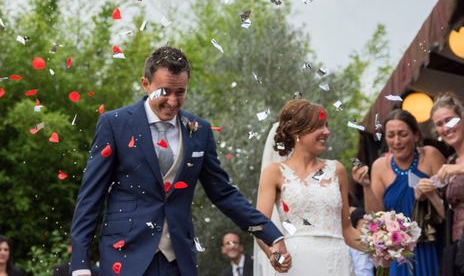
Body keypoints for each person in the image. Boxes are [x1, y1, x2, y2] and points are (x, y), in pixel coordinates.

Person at [69, 46, 292, 276]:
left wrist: (272, 234)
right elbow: (90, 197)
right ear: (146, 84)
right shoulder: (114, 124)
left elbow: (223, 193)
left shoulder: (200, 131)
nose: (173, 101)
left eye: (180, 92)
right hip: (125, 256)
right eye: (164, 91)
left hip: (177, 260)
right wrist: (79, 264)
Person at [256, 99, 363, 275]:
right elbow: (259, 227)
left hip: (338, 265)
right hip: (296, 265)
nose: (327, 132)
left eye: (326, 126)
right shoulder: (274, 173)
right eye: (319, 126)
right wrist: (274, 256)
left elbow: (348, 231)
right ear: (297, 132)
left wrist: (381, 244)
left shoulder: (337, 170)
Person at [353, 109, 445, 275]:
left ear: (416, 135)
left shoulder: (431, 156)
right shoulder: (379, 166)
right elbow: (375, 215)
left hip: (432, 246)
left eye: (402, 134)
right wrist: (366, 186)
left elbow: (450, 201)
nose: (396, 141)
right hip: (399, 252)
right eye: (391, 135)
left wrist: (431, 192)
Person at [430, 92, 464, 275]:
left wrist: (459, 170)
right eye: (440, 124)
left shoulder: (454, 167)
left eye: (450, 120)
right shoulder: (451, 160)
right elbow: (446, 213)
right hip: (457, 248)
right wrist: (430, 194)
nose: (446, 128)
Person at [348, 207, 375, 276]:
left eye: (367, 227)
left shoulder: (373, 244)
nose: (366, 231)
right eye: (363, 227)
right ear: (355, 228)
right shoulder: (351, 246)